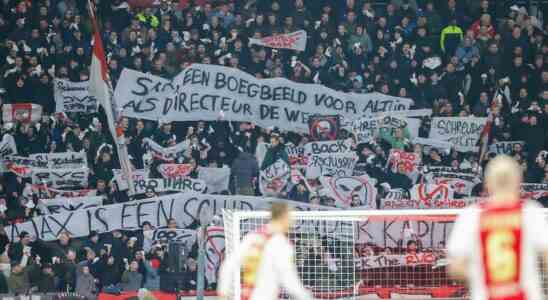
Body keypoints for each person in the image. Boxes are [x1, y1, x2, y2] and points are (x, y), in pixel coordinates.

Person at [448, 155, 548, 300]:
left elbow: (456, 268)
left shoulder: (471, 215)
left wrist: (480, 279)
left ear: (487, 183)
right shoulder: (530, 212)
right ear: (518, 181)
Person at [218, 203, 313, 300]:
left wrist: (223, 293)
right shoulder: (281, 244)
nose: (292, 222)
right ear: (283, 218)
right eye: (290, 219)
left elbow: (228, 265)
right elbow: (289, 280)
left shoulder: (252, 237)